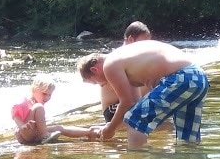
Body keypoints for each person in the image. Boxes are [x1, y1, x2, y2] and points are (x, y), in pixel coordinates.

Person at [78, 40, 209, 148]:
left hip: (180, 79)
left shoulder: (110, 65)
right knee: (187, 139)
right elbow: (134, 104)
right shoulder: (124, 57)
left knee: (134, 121)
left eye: (95, 82)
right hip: (198, 77)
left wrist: (110, 129)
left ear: (94, 70)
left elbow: (127, 104)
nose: (101, 86)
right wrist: (110, 127)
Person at [12, 74, 100, 145]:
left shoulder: (36, 103)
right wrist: (22, 126)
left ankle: (89, 132)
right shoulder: (25, 101)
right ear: (34, 89)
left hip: (34, 133)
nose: (47, 97)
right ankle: (45, 136)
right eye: (44, 94)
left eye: (49, 95)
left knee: (59, 128)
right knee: (39, 107)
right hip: (25, 132)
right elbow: (15, 114)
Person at [100, 21, 152, 122]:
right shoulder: (118, 58)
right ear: (131, 39)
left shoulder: (133, 56)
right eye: (143, 43)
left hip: (124, 104)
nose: (146, 46)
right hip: (112, 111)